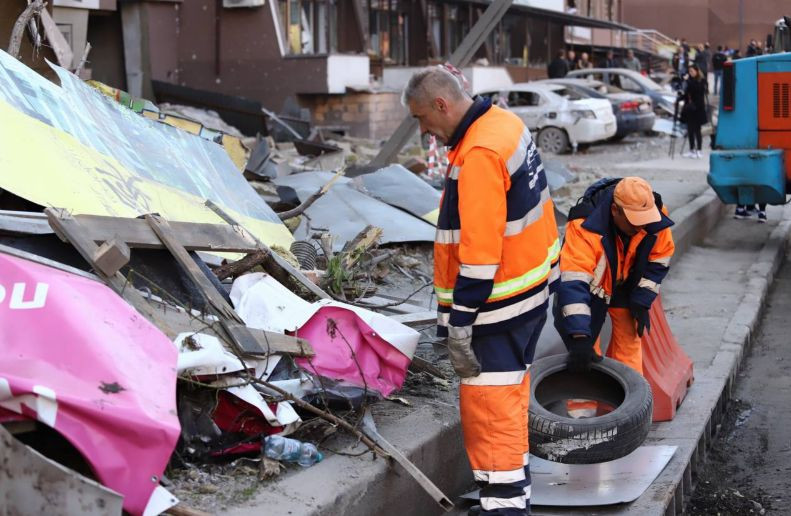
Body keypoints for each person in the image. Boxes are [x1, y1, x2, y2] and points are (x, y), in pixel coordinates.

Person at [403, 66, 560, 516]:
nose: (423, 131)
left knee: (490, 410)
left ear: (441, 105)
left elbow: (479, 253)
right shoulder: (505, 125)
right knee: (507, 401)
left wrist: (460, 322)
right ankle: (512, 496)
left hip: (498, 306)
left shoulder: (479, 155)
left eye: (422, 119)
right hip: (528, 291)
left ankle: (504, 507)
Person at [554, 177, 674, 377]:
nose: (640, 227)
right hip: (593, 290)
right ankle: (582, 406)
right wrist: (579, 336)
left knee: (630, 341)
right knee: (586, 352)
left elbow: (660, 259)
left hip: (627, 283)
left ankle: (631, 403)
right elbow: (573, 282)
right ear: (615, 210)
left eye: (644, 221)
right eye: (633, 221)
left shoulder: (655, 216)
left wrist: (642, 299)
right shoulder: (584, 227)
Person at [681, 64, 707, 159]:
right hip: (690, 109)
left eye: (692, 71)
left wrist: (687, 80)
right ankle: (691, 150)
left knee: (697, 130)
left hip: (698, 109)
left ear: (696, 71)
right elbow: (687, 93)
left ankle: (699, 150)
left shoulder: (701, 81)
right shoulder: (690, 81)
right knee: (690, 130)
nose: (690, 73)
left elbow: (697, 90)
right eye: (689, 71)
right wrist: (680, 98)